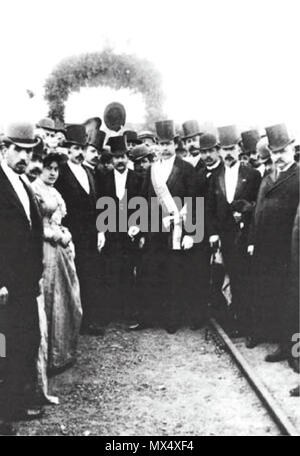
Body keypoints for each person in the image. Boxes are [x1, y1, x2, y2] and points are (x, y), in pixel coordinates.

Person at [0, 122, 44, 434]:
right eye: (19, 150)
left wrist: (37, 273)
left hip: (26, 283)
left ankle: (14, 403)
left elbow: (31, 233)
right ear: (5, 149)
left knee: (25, 341)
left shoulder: (24, 184)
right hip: (5, 284)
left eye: (29, 151)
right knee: (3, 345)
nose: (24, 156)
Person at [247, 124, 299, 358]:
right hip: (266, 250)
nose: (278, 157)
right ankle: (281, 343)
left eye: (282, 152)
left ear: (291, 150)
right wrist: (252, 240)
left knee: (291, 302)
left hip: (288, 250)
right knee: (273, 295)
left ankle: (292, 350)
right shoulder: (268, 178)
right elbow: (258, 212)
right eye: (274, 152)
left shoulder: (297, 177)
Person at [140, 120, 197, 333]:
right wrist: (144, 229)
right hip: (156, 229)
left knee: (175, 273)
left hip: (178, 229)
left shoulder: (187, 168)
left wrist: (191, 232)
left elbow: (194, 200)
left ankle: (173, 318)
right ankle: (156, 314)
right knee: (157, 271)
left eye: (168, 144)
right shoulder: (152, 169)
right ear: (157, 144)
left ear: (175, 144)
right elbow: (145, 199)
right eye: (161, 144)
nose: (164, 148)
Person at [207, 125, 261, 336]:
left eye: (232, 148)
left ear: (239, 149)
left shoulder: (253, 174)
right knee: (226, 279)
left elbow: (258, 205)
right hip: (225, 237)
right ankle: (233, 320)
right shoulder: (215, 176)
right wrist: (213, 233)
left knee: (244, 279)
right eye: (225, 149)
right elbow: (210, 208)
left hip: (244, 236)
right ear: (220, 150)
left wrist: (246, 212)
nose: (228, 153)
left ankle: (247, 324)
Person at [32, 153, 82, 372]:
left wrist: (65, 233)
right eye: (48, 168)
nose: (52, 173)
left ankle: (62, 353)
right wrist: (56, 235)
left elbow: (57, 219)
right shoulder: (34, 189)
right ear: (39, 168)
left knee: (66, 299)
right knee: (50, 299)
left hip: (60, 250)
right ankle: (49, 357)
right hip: (46, 250)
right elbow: (35, 225)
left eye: (56, 169)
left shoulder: (54, 191)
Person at [55, 125, 103, 336]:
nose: (79, 152)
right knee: (72, 278)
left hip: (91, 235)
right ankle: (72, 323)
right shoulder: (61, 174)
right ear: (67, 149)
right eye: (75, 148)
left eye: (82, 148)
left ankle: (88, 320)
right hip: (72, 235)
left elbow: (97, 204)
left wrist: (101, 231)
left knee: (90, 276)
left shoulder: (88, 172)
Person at [96, 136, 141, 325]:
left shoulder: (138, 179)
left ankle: (130, 312)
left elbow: (144, 205)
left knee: (129, 272)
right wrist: (101, 232)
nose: (120, 161)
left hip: (131, 235)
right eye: (116, 158)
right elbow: (99, 207)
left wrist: (138, 226)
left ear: (127, 157)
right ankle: (110, 312)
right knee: (110, 271)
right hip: (111, 234)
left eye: (123, 157)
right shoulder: (103, 179)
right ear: (111, 160)